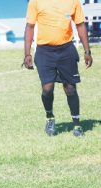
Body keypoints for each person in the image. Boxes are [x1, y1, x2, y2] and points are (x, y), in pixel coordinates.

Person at [23, 0, 93, 137]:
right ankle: (50, 117)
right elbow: (30, 26)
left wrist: (87, 51)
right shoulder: (35, 2)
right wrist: (27, 54)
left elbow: (80, 24)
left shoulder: (73, 1)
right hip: (44, 50)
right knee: (47, 88)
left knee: (70, 88)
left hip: (66, 49)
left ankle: (77, 124)